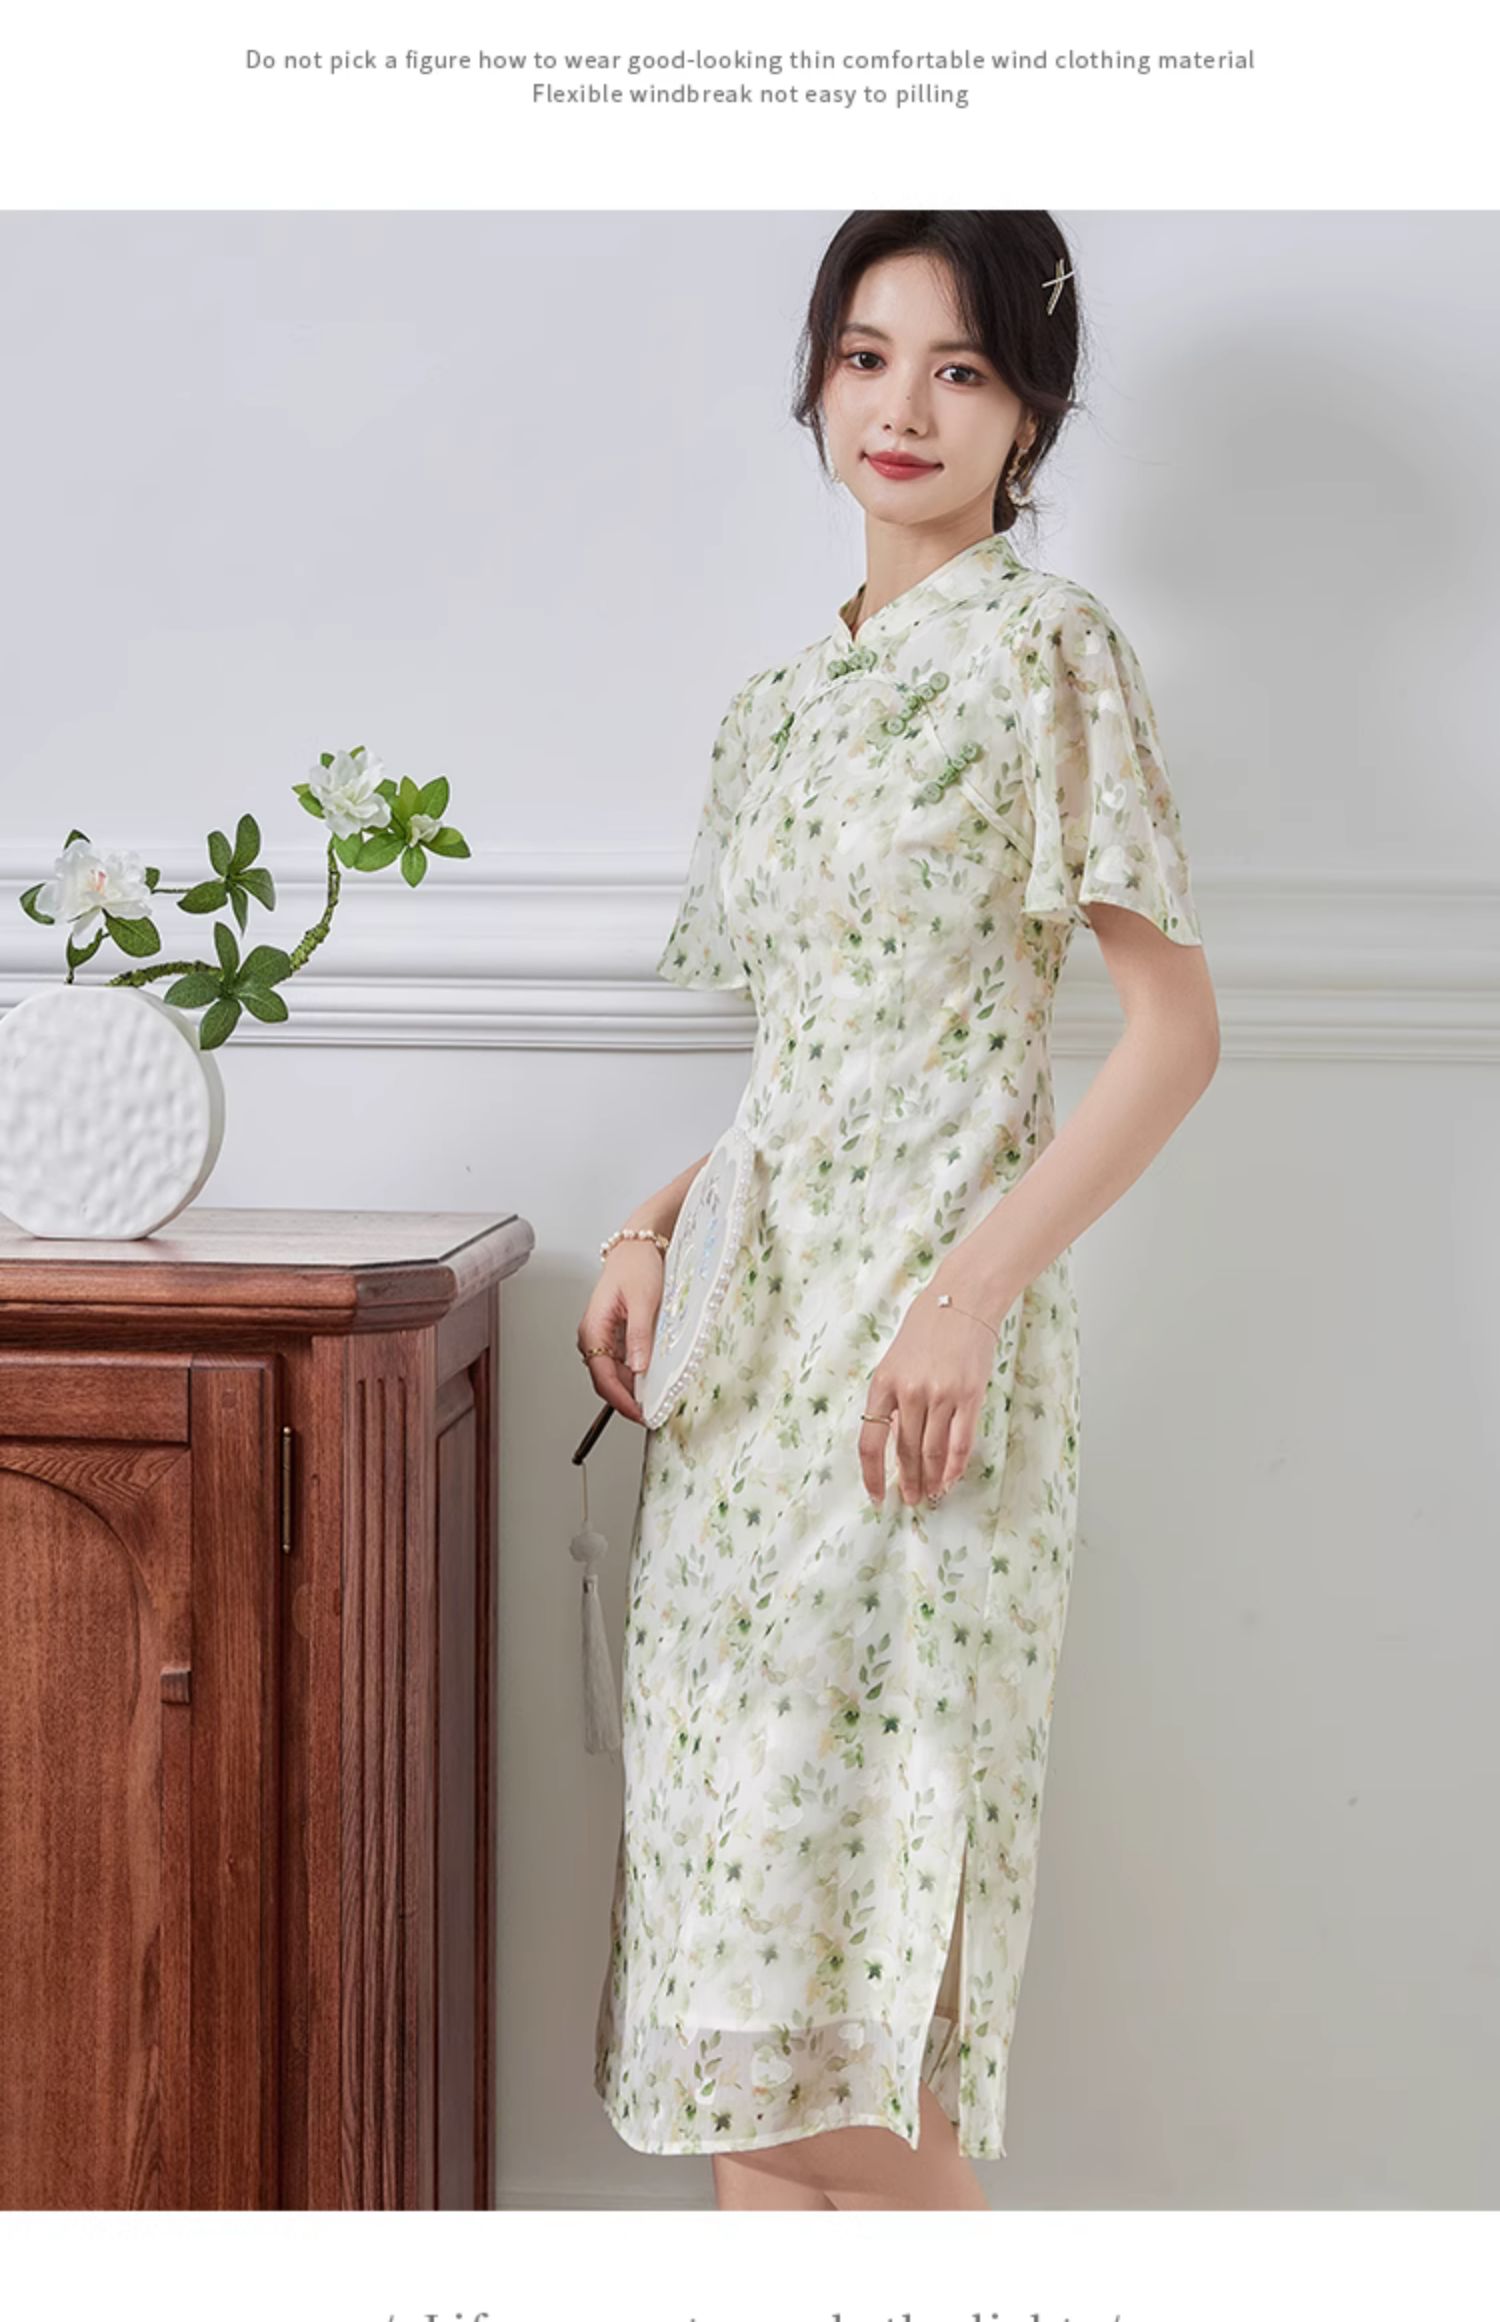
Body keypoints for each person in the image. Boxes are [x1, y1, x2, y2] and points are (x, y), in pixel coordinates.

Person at [579, 210, 1220, 2211]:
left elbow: (1173, 1036)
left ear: (1031, 410)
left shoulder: (1051, 653)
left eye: (961, 367)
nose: (905, 406)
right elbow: (810, 1061)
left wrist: (967, 1299)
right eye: (867, 356)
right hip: (743, 1405)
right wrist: (650, 1226)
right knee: (730, 2011)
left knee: (860, 2029)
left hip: (918, 1401)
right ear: (816, 381)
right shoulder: (771, 710)